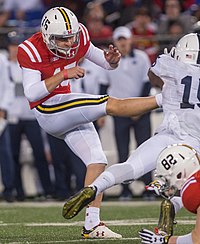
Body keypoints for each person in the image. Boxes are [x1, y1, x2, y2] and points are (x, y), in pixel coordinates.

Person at [17, 6, 161, 239]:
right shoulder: (30, 49)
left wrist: (113, 61)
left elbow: (104, 63)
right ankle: (166, 99)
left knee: (97, 160)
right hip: (48, 109)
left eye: (71, 37)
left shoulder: (79, 35)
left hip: (68, 107)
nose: (69, 43)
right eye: (62, 40)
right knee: (110, 104)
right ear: (47, 36)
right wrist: (63, 74)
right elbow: (32, 93)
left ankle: (92, 225)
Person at [62, 32, 200, 230]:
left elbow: (153, 79)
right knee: (192, 187)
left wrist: (170, 65)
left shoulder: (170, 64)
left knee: (131, 166)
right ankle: (174, 205)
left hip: (167, 134)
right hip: (194, 143)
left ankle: (95, 187)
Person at [103, 26, 153, 200]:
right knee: (122, 151)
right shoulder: (109, 61)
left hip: (140, 111)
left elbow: (147, 83)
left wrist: (139, 107)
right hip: (120, 111)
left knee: (146, 149)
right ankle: (125, 189)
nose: (123, 43)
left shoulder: (141, 57)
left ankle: (148, 187)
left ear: (130, 40)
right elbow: (103, 86)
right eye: (120, 40)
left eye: (125, 39)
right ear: (115, 42)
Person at [7, 31, 53, 201]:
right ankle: (18, 192)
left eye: (17, 45)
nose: (14, 49)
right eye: (12, 45)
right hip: (13, 116)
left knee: (39, 153)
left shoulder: (30, 63)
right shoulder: (5, 65)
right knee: (13, 155)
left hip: (31, 114)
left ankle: (48, 189)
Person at [139, 143, 200, 244]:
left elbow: (197, 239)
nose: (168, 183)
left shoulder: (194, 189)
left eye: (168, 178)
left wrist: (165, 240)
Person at [0, 52, 15, 202]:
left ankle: (9, 189)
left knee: (4, 153)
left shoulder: (1, 60)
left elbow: (8, 85)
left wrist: (3, 108)